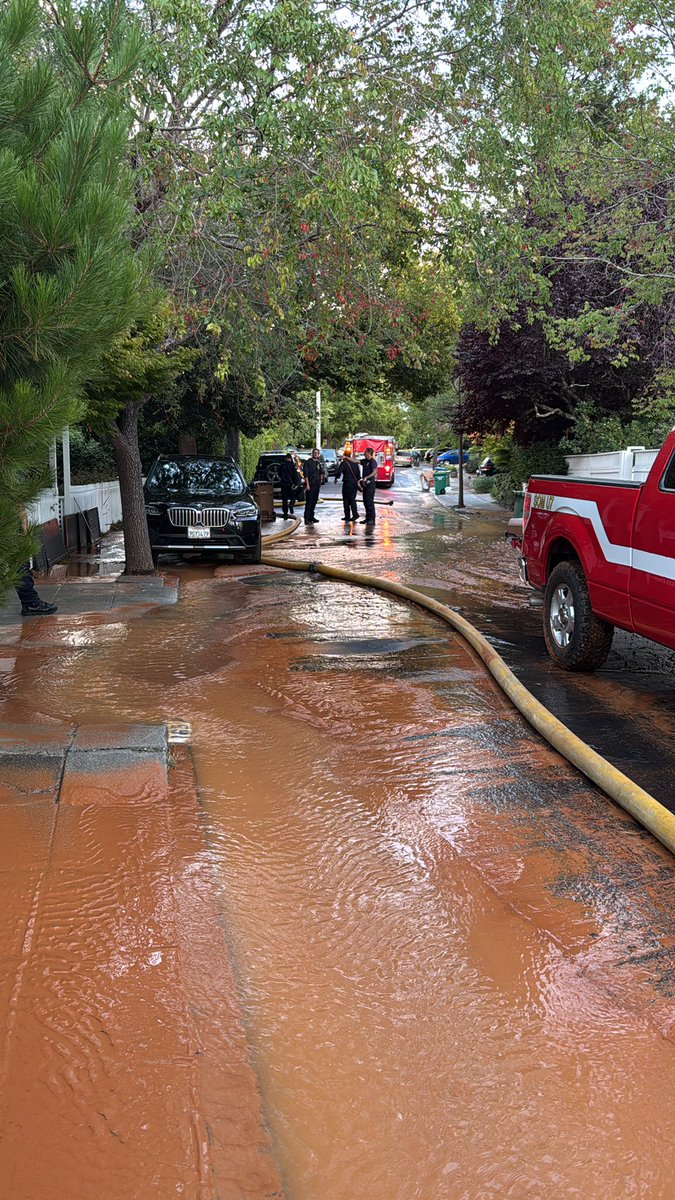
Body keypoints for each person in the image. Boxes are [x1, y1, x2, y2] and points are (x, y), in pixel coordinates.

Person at [335, 448, 360, 522]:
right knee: (353, 499)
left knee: (346, 500)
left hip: (347, 483)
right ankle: (355, 514)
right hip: (354, 484)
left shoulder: (344, 463)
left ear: (344, 455)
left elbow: (339, 471)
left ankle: (348, 516)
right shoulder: (355, 463)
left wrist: (336, 478)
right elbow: (358, 474)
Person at [302, 447, 322, 524]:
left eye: (317, 453)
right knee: (309, 502)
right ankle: (306, 518)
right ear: (312, 454)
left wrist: (320, 481)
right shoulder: (308, 463)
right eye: (315, 453)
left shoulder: (318, 463)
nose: (316, 454)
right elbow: (306, 474)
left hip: (317, 485)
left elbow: (321, 472)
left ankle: (311, 517)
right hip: (310, 484)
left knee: (314, 501)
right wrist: (307, 484)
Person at [360, 446, 377, 525]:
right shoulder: (364, 461)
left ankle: (372, 519)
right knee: (365, 501)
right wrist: (347, 458)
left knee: (369, 501)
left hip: (370, 484)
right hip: (365, 485)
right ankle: (367, 518)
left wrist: (367, 477)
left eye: (365, 452)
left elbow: (374, 472)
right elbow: (356, 461)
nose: (364, 453)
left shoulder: (372, 462)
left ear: (369, 453)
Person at [279, 451, 299, 520]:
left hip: (283, 484)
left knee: (284, 499)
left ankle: (285, 514)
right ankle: (291, 505)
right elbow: (295, 475)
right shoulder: (292, 466)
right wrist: (296, 483)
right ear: (290, 459)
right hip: (291, 484)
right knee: (293, 497)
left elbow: (279, 474)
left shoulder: (282, 466)